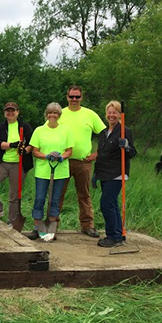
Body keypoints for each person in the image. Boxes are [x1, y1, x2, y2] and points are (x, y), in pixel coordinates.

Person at [58, 85, 106, 238]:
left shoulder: (90, 114)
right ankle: (52, 226)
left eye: (77, 97)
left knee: (84, 195)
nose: (74, 100)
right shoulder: (59, 113)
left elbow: (105, 134)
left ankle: (87, 226)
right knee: (57, 194)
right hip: (62, 161)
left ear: (81, 98)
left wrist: (96, 154)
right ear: (67, 97)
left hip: (83, 162)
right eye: (71, 96)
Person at [94, 101, 137, 247]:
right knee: (112, 204)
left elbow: (132, 153)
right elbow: (100, 154)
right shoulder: (103, 133)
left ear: (120, 115)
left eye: (115, 112)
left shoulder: (125, 131)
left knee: (106, 204)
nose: (111, 115)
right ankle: (118, 234)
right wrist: (95, 174)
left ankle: (113, 236)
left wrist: (127, 146)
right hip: (104, 173)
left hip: (117, 173)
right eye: (109, 112)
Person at [28, 102, 73, 240]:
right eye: (50, 112)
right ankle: (37, 227)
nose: (52, 115)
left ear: (59, 115)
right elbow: (35, 151)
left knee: (55, 200)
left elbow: (69, 151)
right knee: (40, 198)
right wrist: (46, 156)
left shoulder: (66, 130)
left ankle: (52, 228)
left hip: (60, 171)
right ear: (46, 114)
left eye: (55, 113)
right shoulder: (39, 130)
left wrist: (61, 158)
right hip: (43, 171)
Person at [0, 102, 33, 225]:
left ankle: (12, 220)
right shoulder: (1, 127)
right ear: (4, 113)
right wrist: (11, 145)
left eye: (13, 110)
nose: (10, 113)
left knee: (14, 195)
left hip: (19, 164)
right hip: (3, 162)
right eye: (7, 111)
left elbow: (32, 144)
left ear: (17, 112)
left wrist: (24, 151)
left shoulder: (24, 127)